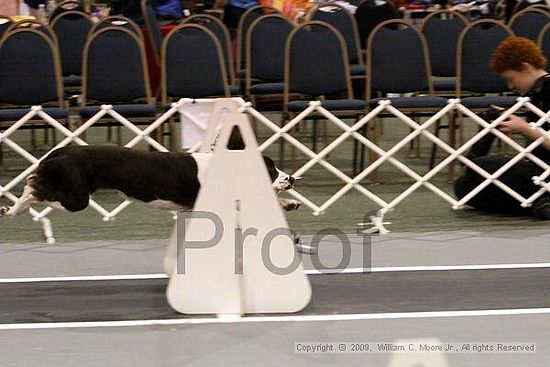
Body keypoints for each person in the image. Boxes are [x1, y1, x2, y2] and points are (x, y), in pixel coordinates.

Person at [454, 36, 550, 220]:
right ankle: (539, 203)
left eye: (511, 79)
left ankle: (539, 202)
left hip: (544, 170)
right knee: (464, 187)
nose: (510, 86)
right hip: (538, 169)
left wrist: (524, 128)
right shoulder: (535, 95)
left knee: (479, 168)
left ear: (526, 67)